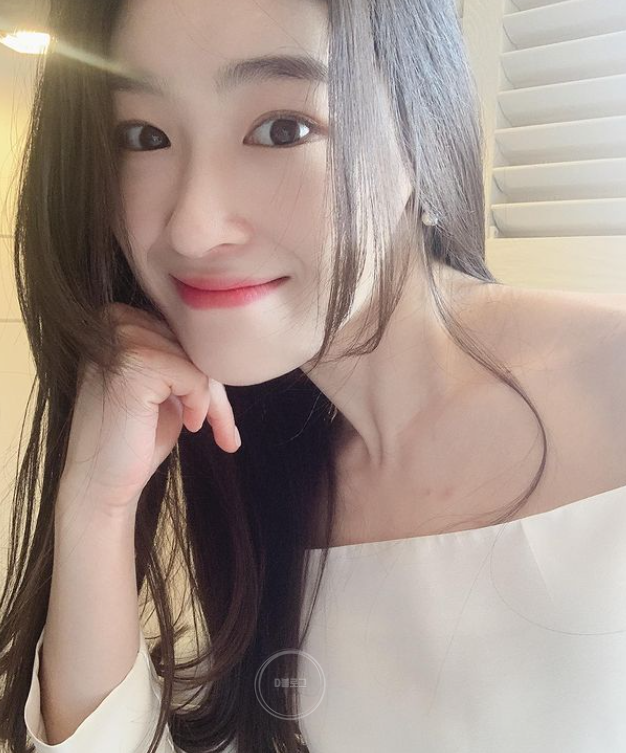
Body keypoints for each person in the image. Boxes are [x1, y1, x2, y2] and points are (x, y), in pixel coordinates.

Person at [1, 0, 625, 751]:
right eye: (143, 136)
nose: (192, 226)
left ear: (421, 133)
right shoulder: (254, 462)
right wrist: (95, 510)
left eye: (283, 129)